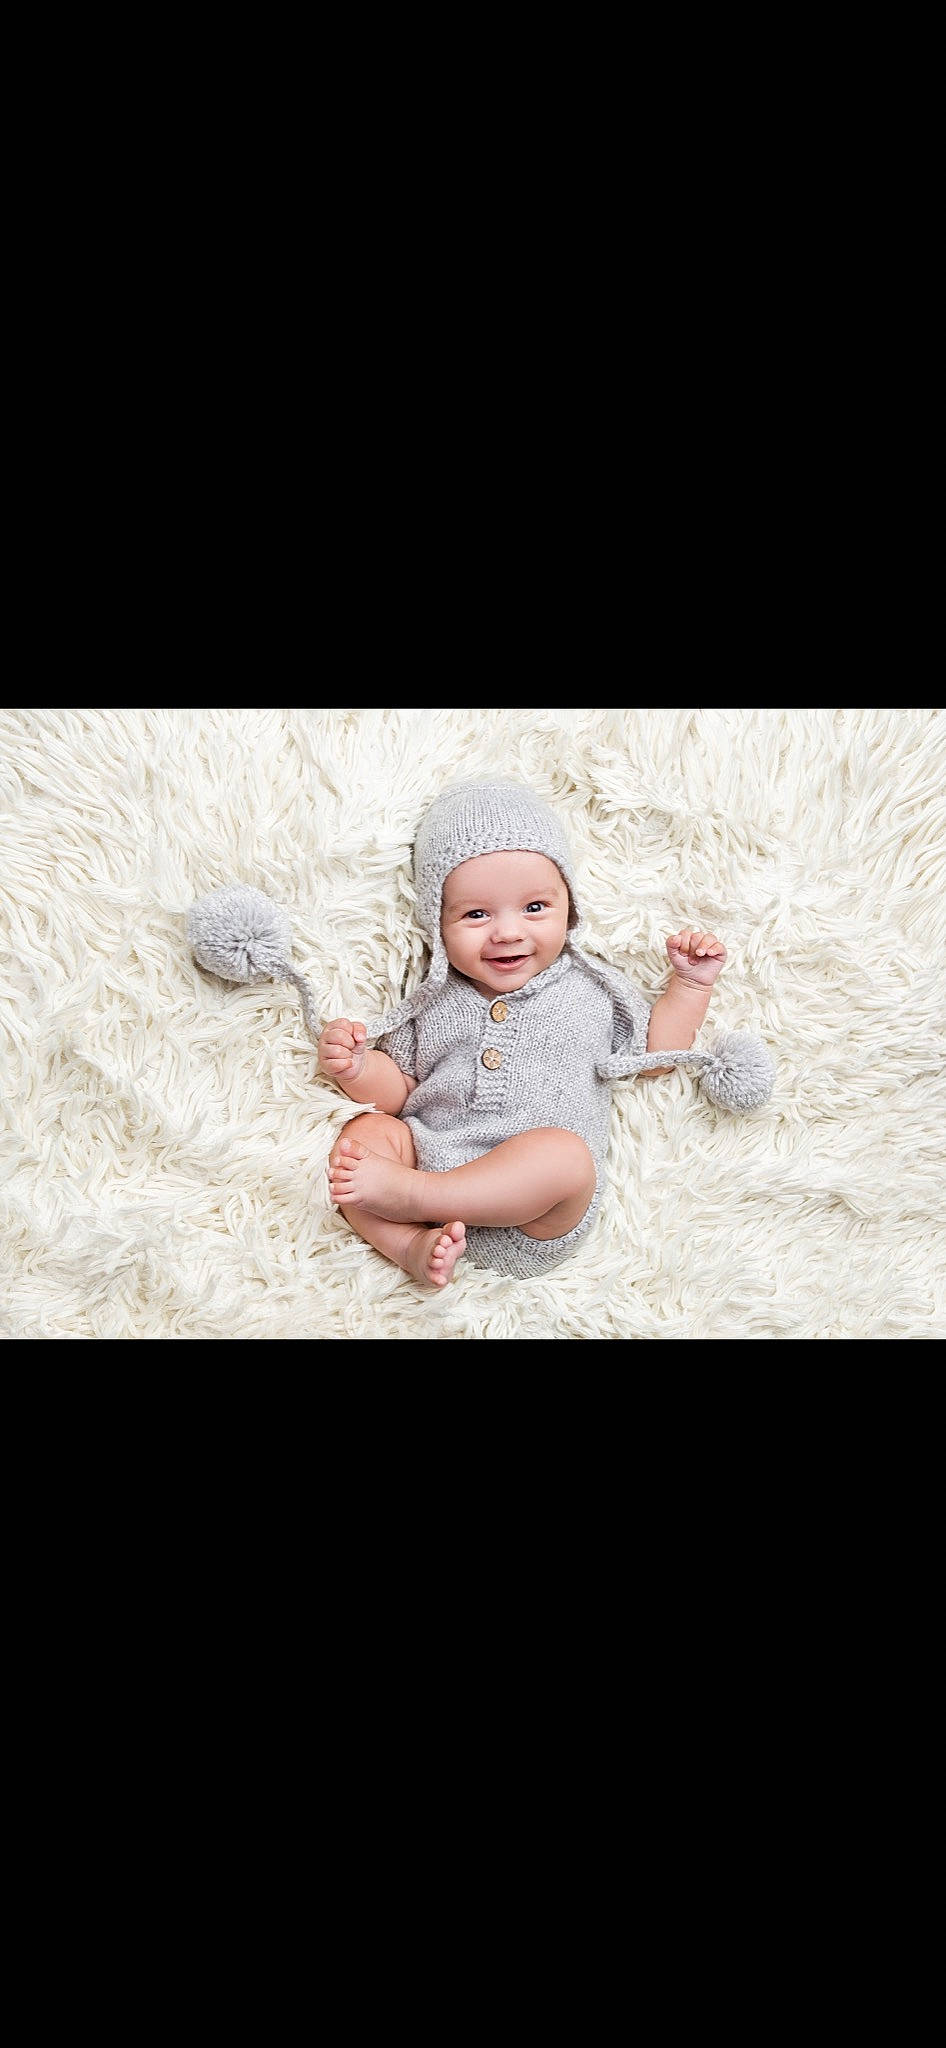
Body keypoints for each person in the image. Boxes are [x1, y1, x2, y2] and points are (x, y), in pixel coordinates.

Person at [319, 779, 728, 1288]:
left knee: (566, 1158)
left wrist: (689, 985)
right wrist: (359, 1068)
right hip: (433, 1159)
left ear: (569, 908)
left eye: (534, 908)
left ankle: (416, 1198)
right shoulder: (432, 998)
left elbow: (658, 1056)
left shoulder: (592, 989)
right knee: (361, 1143)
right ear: (437, 924)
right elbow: (399, 1093)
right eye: (476, 914)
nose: (508, 932)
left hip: (533, 1217)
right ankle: (407, 1244)